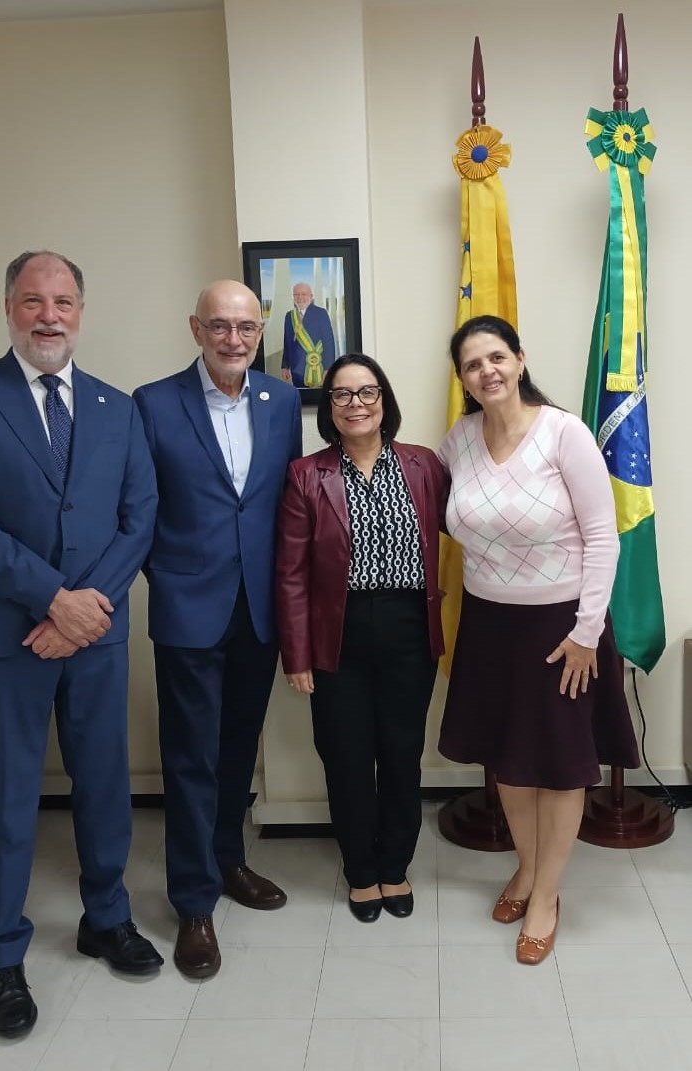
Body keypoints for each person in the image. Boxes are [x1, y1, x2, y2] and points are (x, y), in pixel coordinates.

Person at [0, 251, 163, 1039]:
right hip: (4, 636)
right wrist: (52, 600)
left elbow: (139, 518)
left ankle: (107, 917)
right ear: (8, 308)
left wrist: (83, 611)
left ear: (81, 312)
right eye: (33, 301)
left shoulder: (117, 407)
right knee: (7, 796)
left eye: (63, 301)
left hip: (95, 632)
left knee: (104, 784)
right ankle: (1, 953)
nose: (49, 315)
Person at [437, 314, 639, 964]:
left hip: (562, 628)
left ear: (519, 360)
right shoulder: (459, 440)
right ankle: (526, 869)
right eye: (473, 364)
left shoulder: (563, 433)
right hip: (488, 623)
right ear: (463, 378)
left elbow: (604, 537)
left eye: (497, 357)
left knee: (557, 766)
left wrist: (586, 633)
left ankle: (546, 896)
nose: (487, 371)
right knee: (510, 762)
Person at [133, 280, 302, 980]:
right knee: (190, 756)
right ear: (195, 328)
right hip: (188, 608)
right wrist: (167, 580)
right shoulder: (152, 403)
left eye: (247, 327)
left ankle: (229, 859)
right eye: (220, 326)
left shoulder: (281, 401)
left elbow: (287, 503)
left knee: (237, 746)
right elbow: (138, 507)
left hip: (258, 608)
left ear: (261, 331)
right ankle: (193, 901)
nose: (235, 339)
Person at [276, 354, 447, 922]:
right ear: (329, 407)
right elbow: (291, 574)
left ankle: (395, 865)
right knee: (346, 757)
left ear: (384, 400)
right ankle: (361, 871)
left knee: (401, 754)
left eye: (367, 392)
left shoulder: (423, 465)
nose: (356, 404)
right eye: (342, 394)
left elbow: (470, 520)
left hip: (408, 628)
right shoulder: (307, 475)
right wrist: (297, 654)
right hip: (337, 634)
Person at [281, 282, 336, 388]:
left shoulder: (321, 313)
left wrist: (328, 368)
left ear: (311, 296)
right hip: (296, 370)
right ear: (293, 297)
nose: (300, 297)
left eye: (304, 294)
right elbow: (287, 342)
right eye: (297, 294)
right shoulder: (289, 316)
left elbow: (328, 342)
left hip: (318, 368)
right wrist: (285, 366)